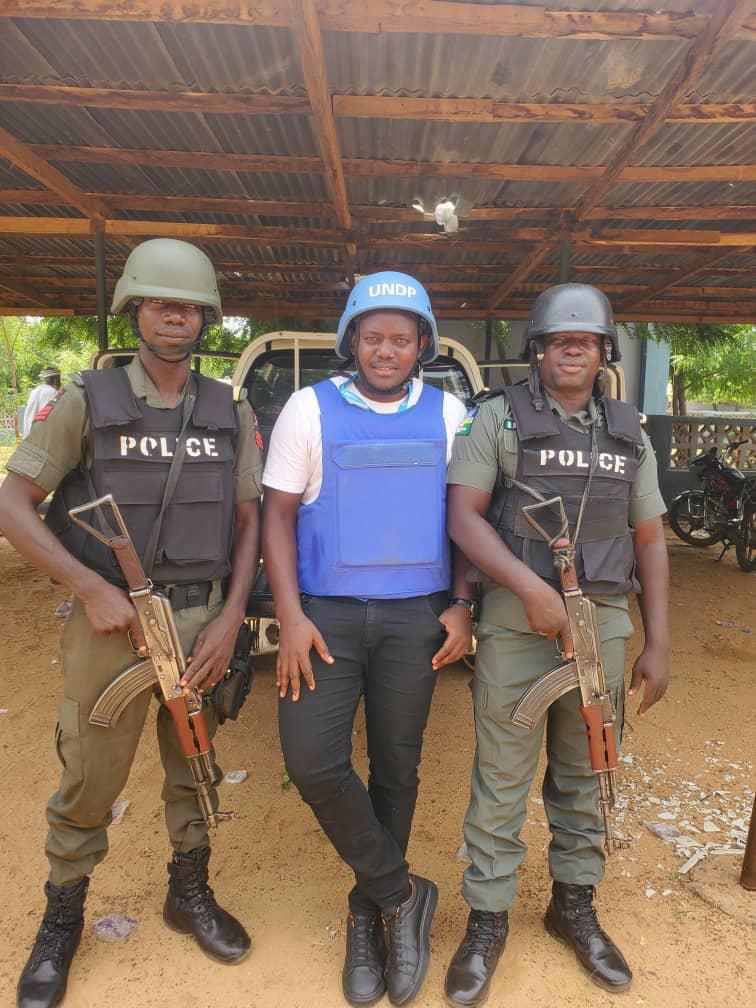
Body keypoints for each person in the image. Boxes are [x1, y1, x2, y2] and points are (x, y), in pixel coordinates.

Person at [0, 238, 263, 1008]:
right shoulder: (87, 400)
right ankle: (63, 916)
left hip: (201, 616)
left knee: (195, 761)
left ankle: (189, 893)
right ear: (135, 311)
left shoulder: (229, 409)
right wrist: (86, 584)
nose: (175, 318)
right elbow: (14, 504)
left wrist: (233, 614)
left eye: (188, 308)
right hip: (110, 624)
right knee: (90, 772)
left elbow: (248, 523)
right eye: (160, 304)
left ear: (206, 319)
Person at [444, 283, 669, 1006]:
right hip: (518, 620)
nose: (573, 350)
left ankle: (573, 903)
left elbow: (650, 538)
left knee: (587, 770)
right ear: (537, 350)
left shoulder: (630, 431)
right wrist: (530, 589)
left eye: (587, 340)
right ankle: (486, 919)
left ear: (604, 351)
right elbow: (465, 518)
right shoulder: (499, 420)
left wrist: (657, 641)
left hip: (603, 622)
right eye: (558, 340)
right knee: (503, 776)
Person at [262, 272, 472, 1007]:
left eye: (402, 337)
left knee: (397, 769)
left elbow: (470, 515)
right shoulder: (307, 409)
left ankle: (368, 911)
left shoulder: (450, 415)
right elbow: (278, 516)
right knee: (314, 762)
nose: (387, 349)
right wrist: (290, 616)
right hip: (326, 619)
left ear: (423, 345)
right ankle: (400, 892)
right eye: (373, 336)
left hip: (417, 617)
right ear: (352, 340)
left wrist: (464, 602)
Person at [23, 366, 61, 436]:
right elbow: (49, 417)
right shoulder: (51, 392)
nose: (60, 383)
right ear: (56, 380)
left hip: (30, 435)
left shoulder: (36, 391)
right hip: (41, 437)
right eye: (59, 379)